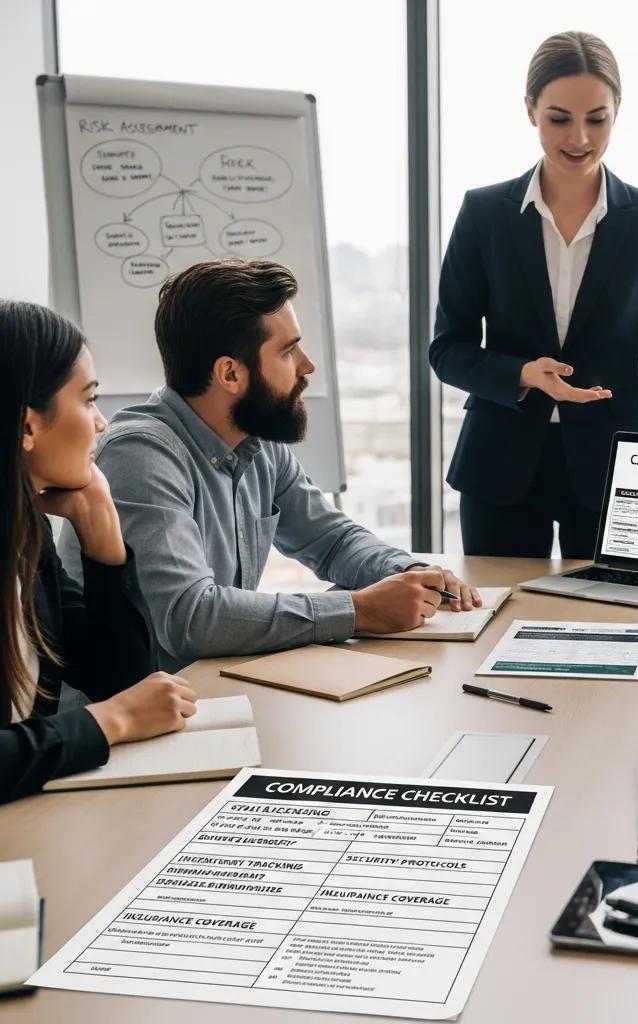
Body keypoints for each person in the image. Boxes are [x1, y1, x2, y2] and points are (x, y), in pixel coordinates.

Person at [58, 259, 479, 672]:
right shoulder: (142, 455)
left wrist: (410, 572)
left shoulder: (253, 439)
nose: (307, 365)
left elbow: (332, 540)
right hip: (131, 721)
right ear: (230, 374)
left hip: (209, 692)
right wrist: (359, 610)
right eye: (289, 351)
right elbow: (190, 619)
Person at [430, 31, 638, 558]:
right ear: (530, 109)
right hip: (501, 464)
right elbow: (448, 349)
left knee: (618, 630)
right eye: (559, 118)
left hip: (616, 467)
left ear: (617, 112)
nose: (579, 137)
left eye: (597, 119)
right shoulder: (483, 213)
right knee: (498, 625)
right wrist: (521, 373)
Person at [0, 301, 197, 804]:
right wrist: (114, 720)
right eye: (88, 400)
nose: (102, 423)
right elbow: (124, 705)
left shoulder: (28, 535)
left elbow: (121, 678)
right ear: (26, 426)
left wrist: (101, 531)